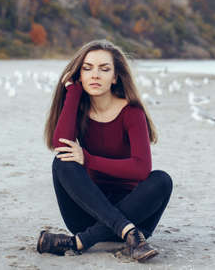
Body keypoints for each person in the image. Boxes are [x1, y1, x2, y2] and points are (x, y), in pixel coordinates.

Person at [38, 39, 173, 262]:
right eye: (87, 68)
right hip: (88, 214)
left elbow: (141, 169)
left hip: (136, 214)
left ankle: (78, 242)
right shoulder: (78, 109)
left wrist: (88, 160)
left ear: (115, 77)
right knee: (62, 160)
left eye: (104, 69)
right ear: (78, 75)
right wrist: (72, 92)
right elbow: (61, 145)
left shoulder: (132, 112)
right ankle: (127, 232)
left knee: (162, 180)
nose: (95, 75)